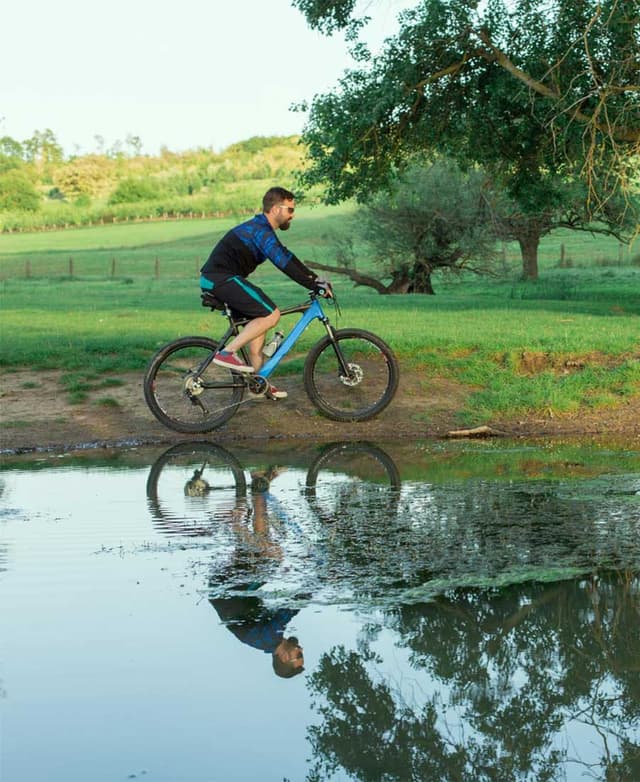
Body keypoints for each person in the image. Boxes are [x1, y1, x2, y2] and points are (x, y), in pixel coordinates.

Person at [200, 186, 330, 400]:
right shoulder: (260, 230)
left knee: (259, 323)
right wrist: (314, 286)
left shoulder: (262, 229)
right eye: (290, 209)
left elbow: (287, 256)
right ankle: (226, 353)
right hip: (219, 279)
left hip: (222, 279)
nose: (293, 215)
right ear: (276, 209)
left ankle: (259, 382)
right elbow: (283, 263)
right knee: (271, 314)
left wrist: (315, 280)